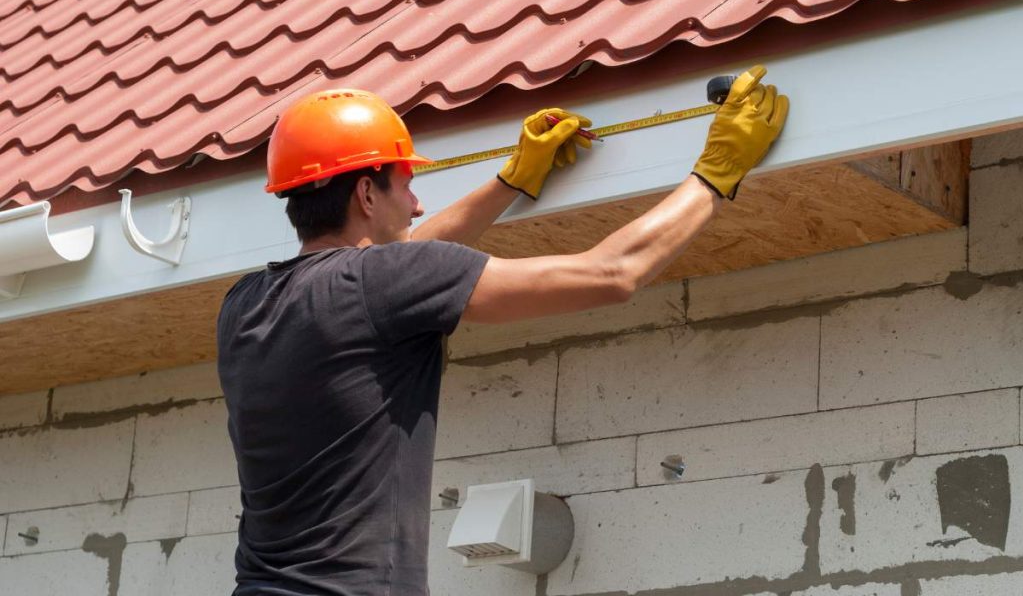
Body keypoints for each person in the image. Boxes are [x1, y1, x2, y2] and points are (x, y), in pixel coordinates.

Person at [217, 69, 788, 595]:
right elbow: (612, 274)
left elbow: (396, 265)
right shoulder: (380, 283)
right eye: (405, 182)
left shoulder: (244, 305)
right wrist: (716, 172)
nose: (416, 205)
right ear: (367, 193)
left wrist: (511, 181)